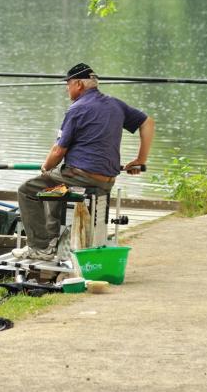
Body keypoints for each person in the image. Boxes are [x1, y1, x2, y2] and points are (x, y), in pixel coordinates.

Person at [13, 62, 155, 260]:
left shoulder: (76, 109)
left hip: (81, 177)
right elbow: (147, 123)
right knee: (55, 185)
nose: (66, 88)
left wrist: (45, 167)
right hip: (106, 180)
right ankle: (53, 241)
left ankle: (40, 247)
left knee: (27, 190)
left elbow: (58, 150)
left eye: (68, 84)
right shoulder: (116, 104)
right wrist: (140, 160)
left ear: (78, 84)